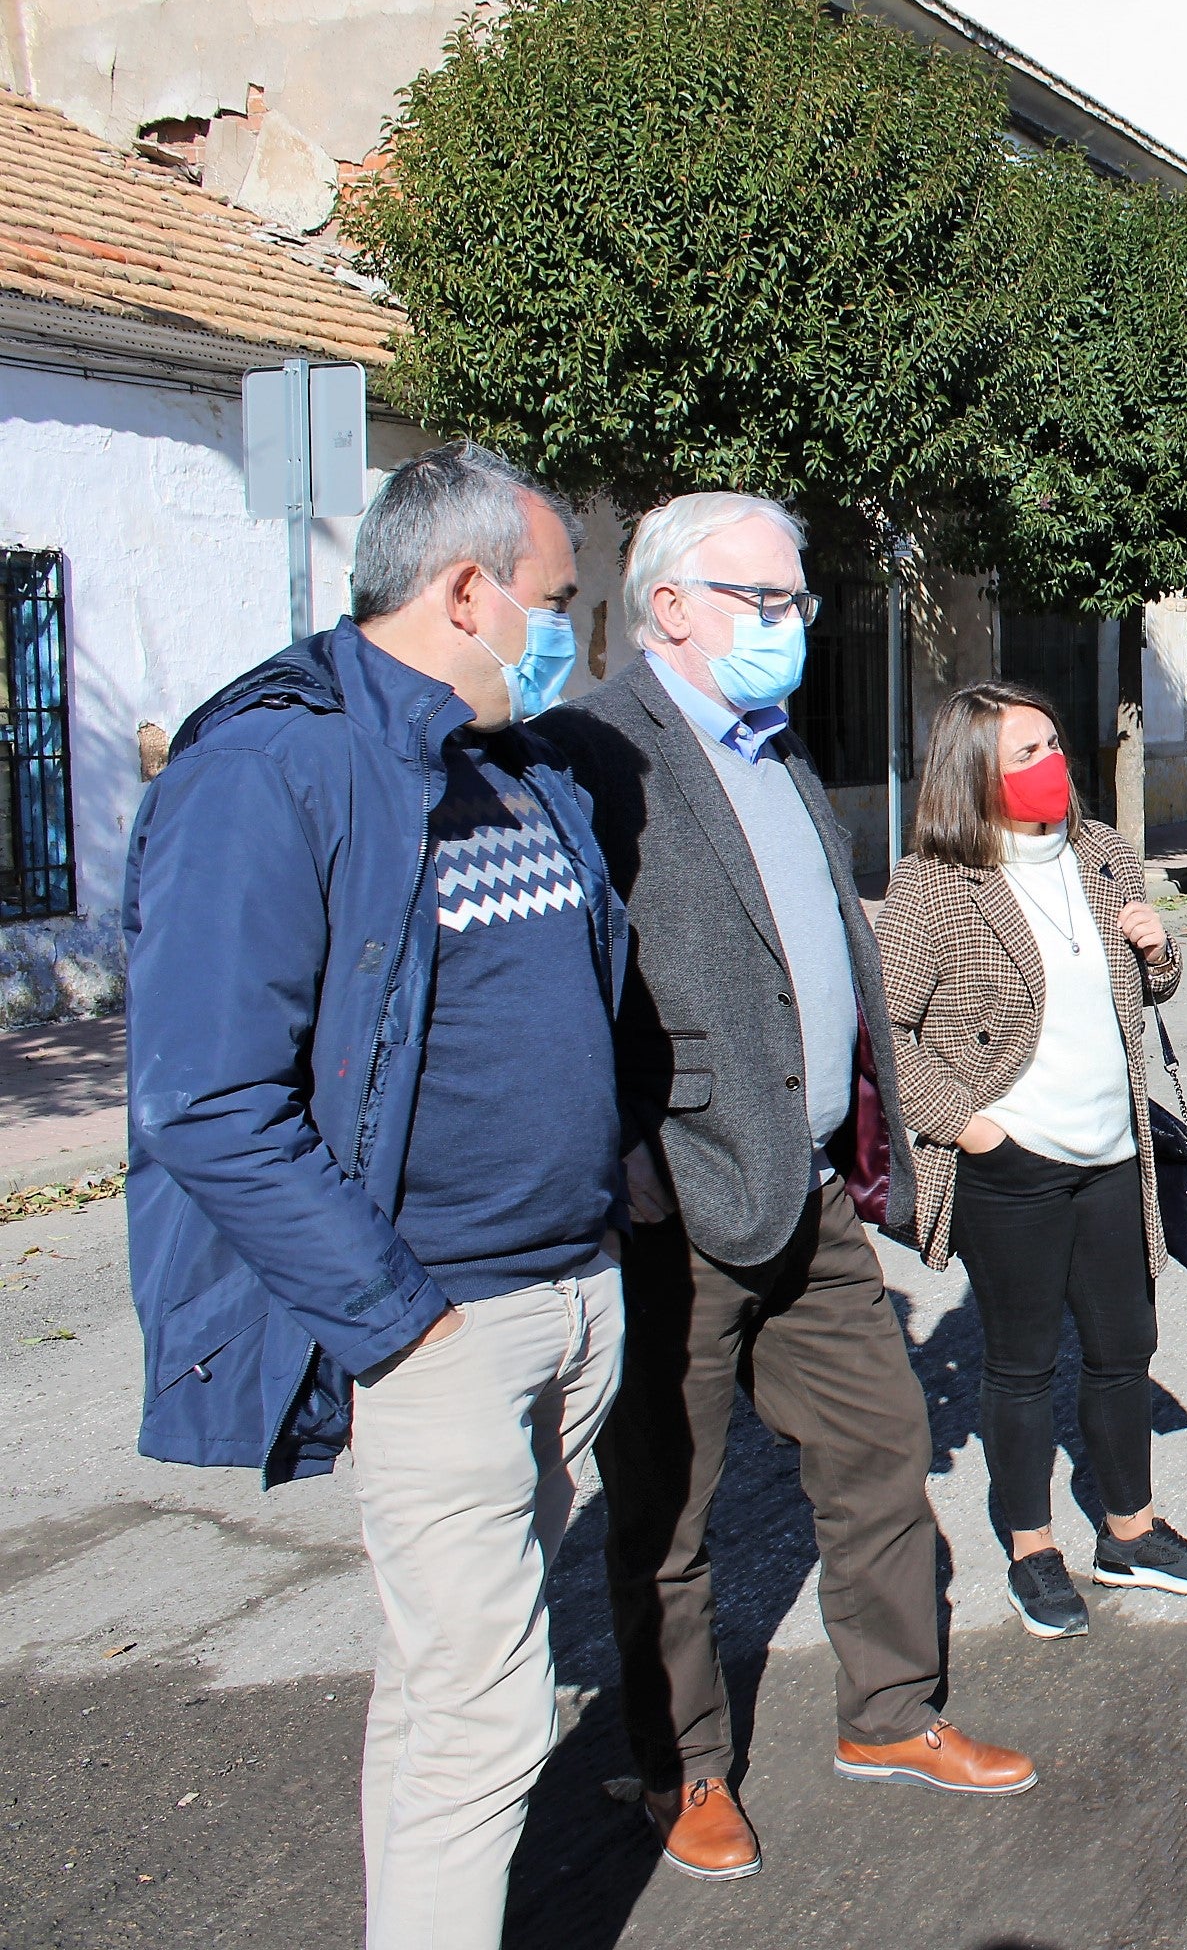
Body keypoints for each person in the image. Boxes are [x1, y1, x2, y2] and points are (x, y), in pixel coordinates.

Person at [125, 442, 625, 1949]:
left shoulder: (513, 763)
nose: (569, 636)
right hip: (438, 1324)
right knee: (487, 1713)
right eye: (555, 601)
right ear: (467, 589)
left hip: (566, 1296)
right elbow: (208, 1103)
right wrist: (400, 1327)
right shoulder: (272, 767)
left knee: (443, 1688)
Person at [539, 495, 1033, 1885]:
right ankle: (680, 1763)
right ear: (672, 606)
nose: (794, 626)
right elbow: (561, 979)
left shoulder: (776, 753)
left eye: (799, 602)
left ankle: (891, 1716)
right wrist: (618, 1147)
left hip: (806, 1187)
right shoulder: (591, 752)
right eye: (768, 602)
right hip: (677, 1201)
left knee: (880, 1449)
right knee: (668, 1509)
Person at [876, 683, 1187, 1644]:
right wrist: (972, 1126)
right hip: (1013, 1166)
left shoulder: (1105, 854)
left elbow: (1149, 987)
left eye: (1052, 743)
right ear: (975, 776)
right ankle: (1034, 1548)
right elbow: (885, 1032)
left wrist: (1159, 951)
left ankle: (1132, 1531)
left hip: (1115, 1153)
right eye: (1024, 753)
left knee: (1124, 1350)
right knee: (1022, 1364)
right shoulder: (935, 887)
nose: (1052, 765)